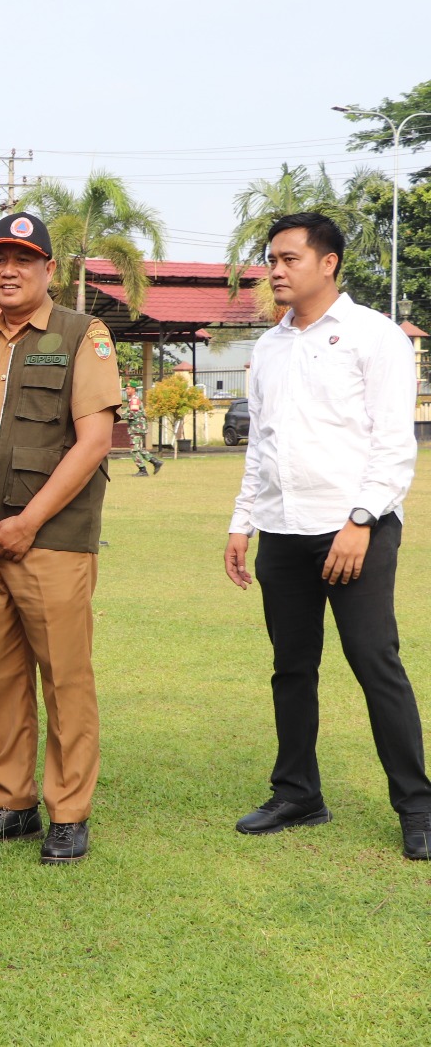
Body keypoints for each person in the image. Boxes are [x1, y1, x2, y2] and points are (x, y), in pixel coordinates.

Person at [224, 212, 431, 860]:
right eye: (272, 260)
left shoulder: (374, 337)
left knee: (376, 664)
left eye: (288, 259)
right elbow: (262, 445)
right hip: (283, 533)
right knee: (292, 668)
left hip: (355, 532)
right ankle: (298, 794)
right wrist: (242, 520)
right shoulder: (269, 347)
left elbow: (396, 444)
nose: (276, 271)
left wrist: (361, 521)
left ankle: (418, 807)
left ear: (328, 263)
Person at [0, 211, 120, 866]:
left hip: (52, 541)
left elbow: (94, 439)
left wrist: (29, 521)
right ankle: (12, 802)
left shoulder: (79, 334)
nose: (8, 271)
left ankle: (68, 812)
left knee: (64, 678)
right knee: (1, 677)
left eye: (23, 259)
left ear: (48, 270)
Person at [125, 382, 162, 476]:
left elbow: (133, 414)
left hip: (137, 428)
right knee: (139, 449)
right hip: (138, 428)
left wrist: (120, 416)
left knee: (134, 450)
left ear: (134, 389)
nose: (127, 390)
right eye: (126, 388)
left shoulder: (134, 400)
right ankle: (155, 462)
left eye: (128, 388)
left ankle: (143, 470)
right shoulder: (132, 400)